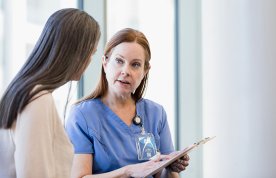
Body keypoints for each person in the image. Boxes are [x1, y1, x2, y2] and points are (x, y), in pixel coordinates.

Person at [66, 28, 189, 178]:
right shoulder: (82, 115)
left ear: (145, 71)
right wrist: (128, 171)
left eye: (135, 64)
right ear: (105, 63)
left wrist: (170, 169)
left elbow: (165, 175)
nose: (126, 71)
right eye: (119, 61)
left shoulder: (156, 113)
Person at [0, 8, 101, 178]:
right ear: (76, 52)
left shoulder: (26, 92)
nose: (91, 59)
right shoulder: (38, 99)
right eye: (92, 52)